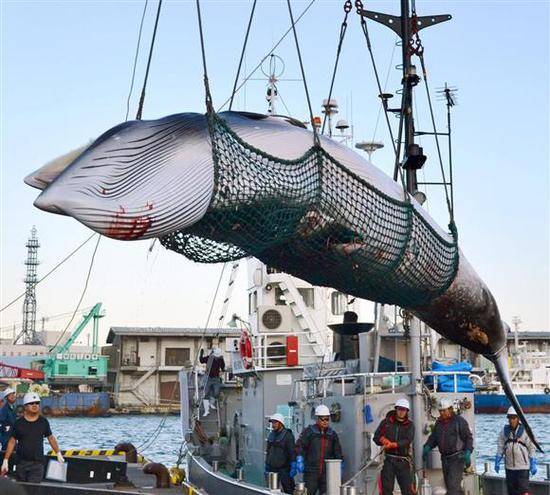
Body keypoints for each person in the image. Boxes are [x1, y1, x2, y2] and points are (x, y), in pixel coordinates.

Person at [0, 392, 64, 482]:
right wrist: (6, 460)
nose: (35, 405)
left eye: (37, 403)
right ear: (25, 406)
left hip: (37, 464)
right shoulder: (19, 423)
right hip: (21, 463)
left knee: (34, 489)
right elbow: (12, 441)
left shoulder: (43, 422)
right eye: (31, 403)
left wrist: (58, 453)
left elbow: (51, 438)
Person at [422, 398, 473, 495]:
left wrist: (468, 452)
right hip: (445, 459)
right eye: (440, 411)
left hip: (457, 458)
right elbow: (434, 438)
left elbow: (468, 438)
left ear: (450, 409)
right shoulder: (439, 423)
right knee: (451, 486)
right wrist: (427, 446)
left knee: (452, 488)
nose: (442, 413)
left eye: (444, 411)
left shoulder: (460, 421)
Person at [296, 404, 343, 495]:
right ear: (317, 419)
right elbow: (300, 446)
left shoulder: (332, 435)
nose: (325, 422)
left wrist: (340, 465)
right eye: (323, 419)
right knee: (309, 492)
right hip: (311, 472)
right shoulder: (309, 432)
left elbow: (337, 451)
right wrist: (299, 459)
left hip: (326, 473)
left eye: (327, 419)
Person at [374, 398, 415, 495]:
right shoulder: (386, 423)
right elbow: (376, 436)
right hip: (389, 460)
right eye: (400, 409)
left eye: (404, 410)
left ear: (407, 411)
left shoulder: (410, 425)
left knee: (407, 490)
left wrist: (393, 445)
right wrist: (383, 440)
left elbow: (408, 440)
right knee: (386, 490)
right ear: (396, 409)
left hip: (403, 461)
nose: (401, 412)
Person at [494, 406, 537, 495]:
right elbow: (500, 446)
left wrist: (533, 462)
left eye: (513, 417)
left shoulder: (525, 431)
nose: (511, 420)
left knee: (524, 491)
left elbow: (531, 446)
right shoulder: (504, 432)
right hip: (509, 468)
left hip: (522, 468)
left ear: (518, 418)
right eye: (509, 417)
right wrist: (497, 460)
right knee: (512, 492)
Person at [265, 413, 296, 494]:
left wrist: (293, 464)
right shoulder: (271, 435)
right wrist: (267, 464)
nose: (273, 424)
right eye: (272, 422)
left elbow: (292, 452)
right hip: (272, 468)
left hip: (284, 469)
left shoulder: (288, 436)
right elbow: (268, 451)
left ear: (281, 423)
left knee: (288, 490)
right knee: (271, 490)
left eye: (275, 422)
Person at [199, 346, 225, 416]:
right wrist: (201, 353)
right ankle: (206, 410)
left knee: (217, 392)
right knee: (206, 393)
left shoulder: (221, 359)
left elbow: (223, 367)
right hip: (208, 377)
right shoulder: (209, 358)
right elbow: (201, 360)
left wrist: (223, 370)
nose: (217, 357)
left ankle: (211, 403)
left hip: (216, 378)